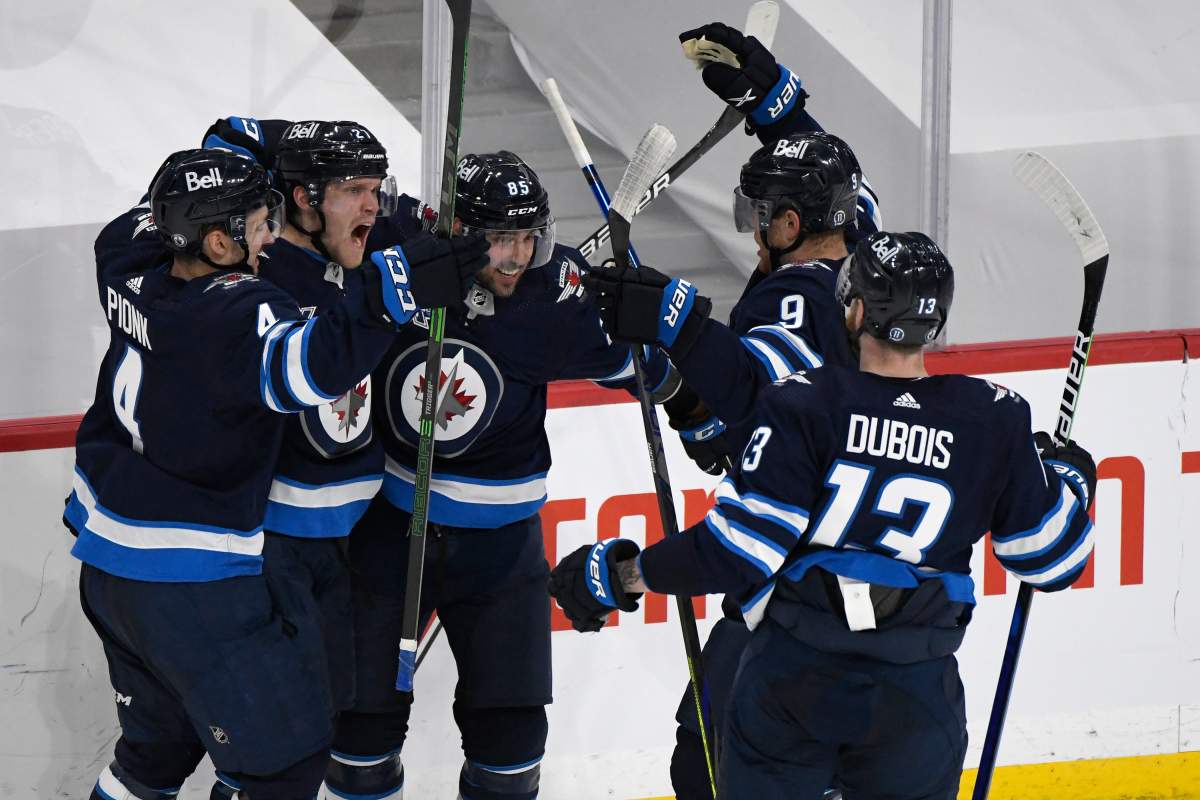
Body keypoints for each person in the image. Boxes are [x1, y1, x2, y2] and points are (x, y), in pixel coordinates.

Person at [551, 231, 1097, 798]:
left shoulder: (804, 401)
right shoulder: (992, 417)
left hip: (794, 686)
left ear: (856, 310)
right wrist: (1072, 485)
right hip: (916, 703)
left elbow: (737, 553)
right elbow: (1051, 560)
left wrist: (623, 576)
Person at [66, 147, 482, 800]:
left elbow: (144, 217)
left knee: (152, 758)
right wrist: (391, 290)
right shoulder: (234, 313)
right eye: (258, 226)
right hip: (190, 580)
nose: (268, 240)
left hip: (108, 568)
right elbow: (310, 368)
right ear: (216, 241)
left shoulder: (125, 260)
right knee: (281, 767)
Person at [585, 21, 881, 795]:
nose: (754, 234)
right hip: (883, 590)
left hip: (791, 589)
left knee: (707, 760)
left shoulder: (786, 300)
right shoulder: (875, 267)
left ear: (787, 225)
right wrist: (776, 105)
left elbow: (765, 408)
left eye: (761, 217)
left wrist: (677, 327)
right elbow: (844, 179)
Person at [324, 151, 676, 800]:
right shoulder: (407, 247)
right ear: (459, 232)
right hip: (392, 534)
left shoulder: (557, 287)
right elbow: (321, 254)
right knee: (359, 735)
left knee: (512, 746)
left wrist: (647, 336)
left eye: (526, 239)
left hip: (504, 548)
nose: (515, 258)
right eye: (498, 240)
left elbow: (648, 369)